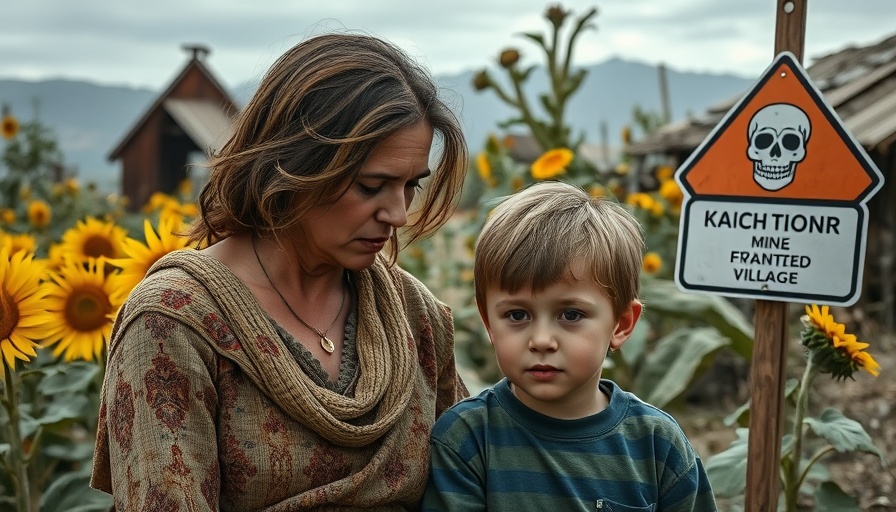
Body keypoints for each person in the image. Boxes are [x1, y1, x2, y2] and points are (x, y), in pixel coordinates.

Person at [91, 33, 470, 511]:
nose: (397, 214)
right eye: (372, 186)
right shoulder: (173, 324)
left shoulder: (412, 316)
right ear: (292, 166)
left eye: (411, 186)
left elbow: (472, 479)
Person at [422, 181, 717, 511]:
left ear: (621, 324)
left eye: (571, 314)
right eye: (517, 315)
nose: (542, 341)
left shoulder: (658, 446)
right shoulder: (467, 441)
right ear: (489, 323)